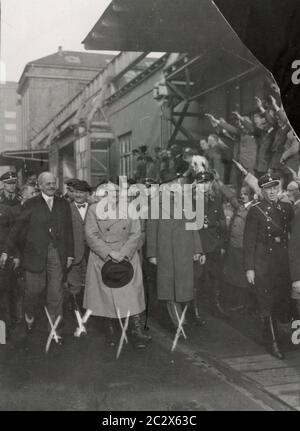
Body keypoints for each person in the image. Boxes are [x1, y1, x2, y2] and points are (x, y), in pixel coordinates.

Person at [3, 172, 74, 339]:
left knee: (56, 293)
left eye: (53, 183)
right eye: (47, 183)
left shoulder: (63, 204)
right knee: (34, 291)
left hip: (57, 253)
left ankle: (55, 329)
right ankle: (29, 312)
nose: (51, 186)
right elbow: (17, 229)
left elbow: (68, 231)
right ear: (40, 186)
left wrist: (70, 254)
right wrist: (7, 250)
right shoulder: (30, 204)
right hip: (34, 254)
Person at [84, 179, 151, 349]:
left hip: (127, 256)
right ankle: (110, 331)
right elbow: (91, 235)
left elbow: (136, 233)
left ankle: (135, 330)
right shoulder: (93, 210)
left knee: (132, 294)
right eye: (106, 194)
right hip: (103, 258)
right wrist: (108, 253)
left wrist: (123, 253)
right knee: (106, 296)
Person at [147, 171, 205, 332]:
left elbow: (193, 227)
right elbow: (151, 229)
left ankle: (181, 318)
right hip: (165, 251)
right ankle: (178, 321)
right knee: (168, 289)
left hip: (184, 251)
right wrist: (152, 253)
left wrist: (197, 249)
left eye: (176, 183)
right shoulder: (155, 203)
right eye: (170, 184)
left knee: (182, 288)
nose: (175, 186)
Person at [244, 173, 293, 359]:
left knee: (281, 298)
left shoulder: (286, 208)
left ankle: (279, 336)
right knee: (267, 301)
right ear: (262, 191)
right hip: (263, 261)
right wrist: (249, 268)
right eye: (268, 189)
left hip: (282, 260)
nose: (272, 192)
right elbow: (249, 241)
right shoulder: (256, 211)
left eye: (274, 188)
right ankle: (271, 342)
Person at [196, 170, 228, 318]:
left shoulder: (216, 199)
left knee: (215, 276)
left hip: (214, 244)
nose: (204, 185)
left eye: (207, 182)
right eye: (201, 182)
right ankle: (195, 308)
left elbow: (223, 222)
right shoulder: (191, 200)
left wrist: (211, 224)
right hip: (199, 245)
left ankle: (215, 305)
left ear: (211, 183)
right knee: (198, 277)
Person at [66, 180, 91, 310]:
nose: (78, 195)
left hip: (92, 253)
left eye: (81, 192)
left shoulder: (95, 208)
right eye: (75, 192)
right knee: (74, 284)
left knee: (91, 283)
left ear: (87, 194)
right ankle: (76, 314)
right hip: (74, 253)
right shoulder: (65, 208)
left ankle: (90, 314)